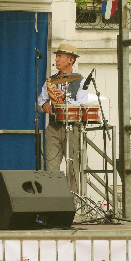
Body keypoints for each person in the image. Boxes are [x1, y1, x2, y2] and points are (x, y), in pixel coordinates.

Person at [36, 42, 89, 193]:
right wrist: (44, 105)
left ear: (71, 60)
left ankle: (73, 204)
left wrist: (65, 98)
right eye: (57, 56)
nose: (57, 60)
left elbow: (81, 104)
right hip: (53, 128)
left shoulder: (81, 80)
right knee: (51, 168)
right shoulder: (51, 80)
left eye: (60, 56)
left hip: (73, 129)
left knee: (73, 168)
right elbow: (40, 100)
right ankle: (54, 201)